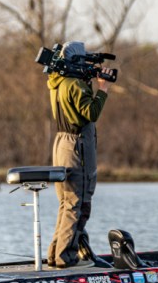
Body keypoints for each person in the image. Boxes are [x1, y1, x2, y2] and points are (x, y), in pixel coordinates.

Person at [46, 41, 111, 267]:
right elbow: (90, 113)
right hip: (77, 145)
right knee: (78, 203)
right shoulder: (73, 84)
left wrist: (87, 81)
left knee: (66, 202)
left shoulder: (57, 82)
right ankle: (66, 257)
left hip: (61, 143)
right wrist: (102, 89)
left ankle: (55, 254)